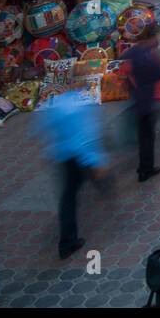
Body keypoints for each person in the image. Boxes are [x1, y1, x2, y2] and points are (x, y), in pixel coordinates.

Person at [36, 89, 107, 259]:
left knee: (68, 194)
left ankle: (67, 240)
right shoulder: (80, 106)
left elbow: (38, 128)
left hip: (63, 155)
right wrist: (95, 161)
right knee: (72, 193)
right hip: (79, 156)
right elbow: (87, 135)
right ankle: (68, 241)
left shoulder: (55, 105)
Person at [125, 21, 160, 183]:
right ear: (151, 38)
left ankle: (143, 166)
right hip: (146, 104)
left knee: (142, 135)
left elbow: (121, 66)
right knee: (147, 138)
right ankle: (146, 169)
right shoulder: (148, 58)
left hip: (134, 102)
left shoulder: (132, 52)